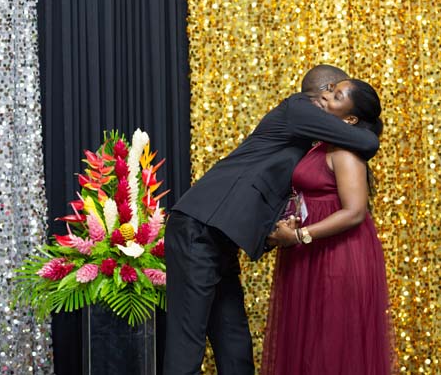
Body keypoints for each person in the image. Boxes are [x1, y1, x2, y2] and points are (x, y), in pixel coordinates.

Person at [163, 65, 380, 375]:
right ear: (322, 93)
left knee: (234, 339)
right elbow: (369, 143)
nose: (331, 97)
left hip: (219, 236)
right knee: (187, 343)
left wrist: (286, 227)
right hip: (197, 227)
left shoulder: (314, 140)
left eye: (338, 95)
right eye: (332, 92)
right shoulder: (298, 108)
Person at [261, 78, 394, 374]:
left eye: (336, 96)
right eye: (330, 89)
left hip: (338, 255)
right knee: (307, 343)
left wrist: (299, 235)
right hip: (310, 252)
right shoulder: (320, 144)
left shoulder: (345, 151)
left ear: (350, 119)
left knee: (331, 343)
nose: (325, 96)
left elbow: (355, 212)